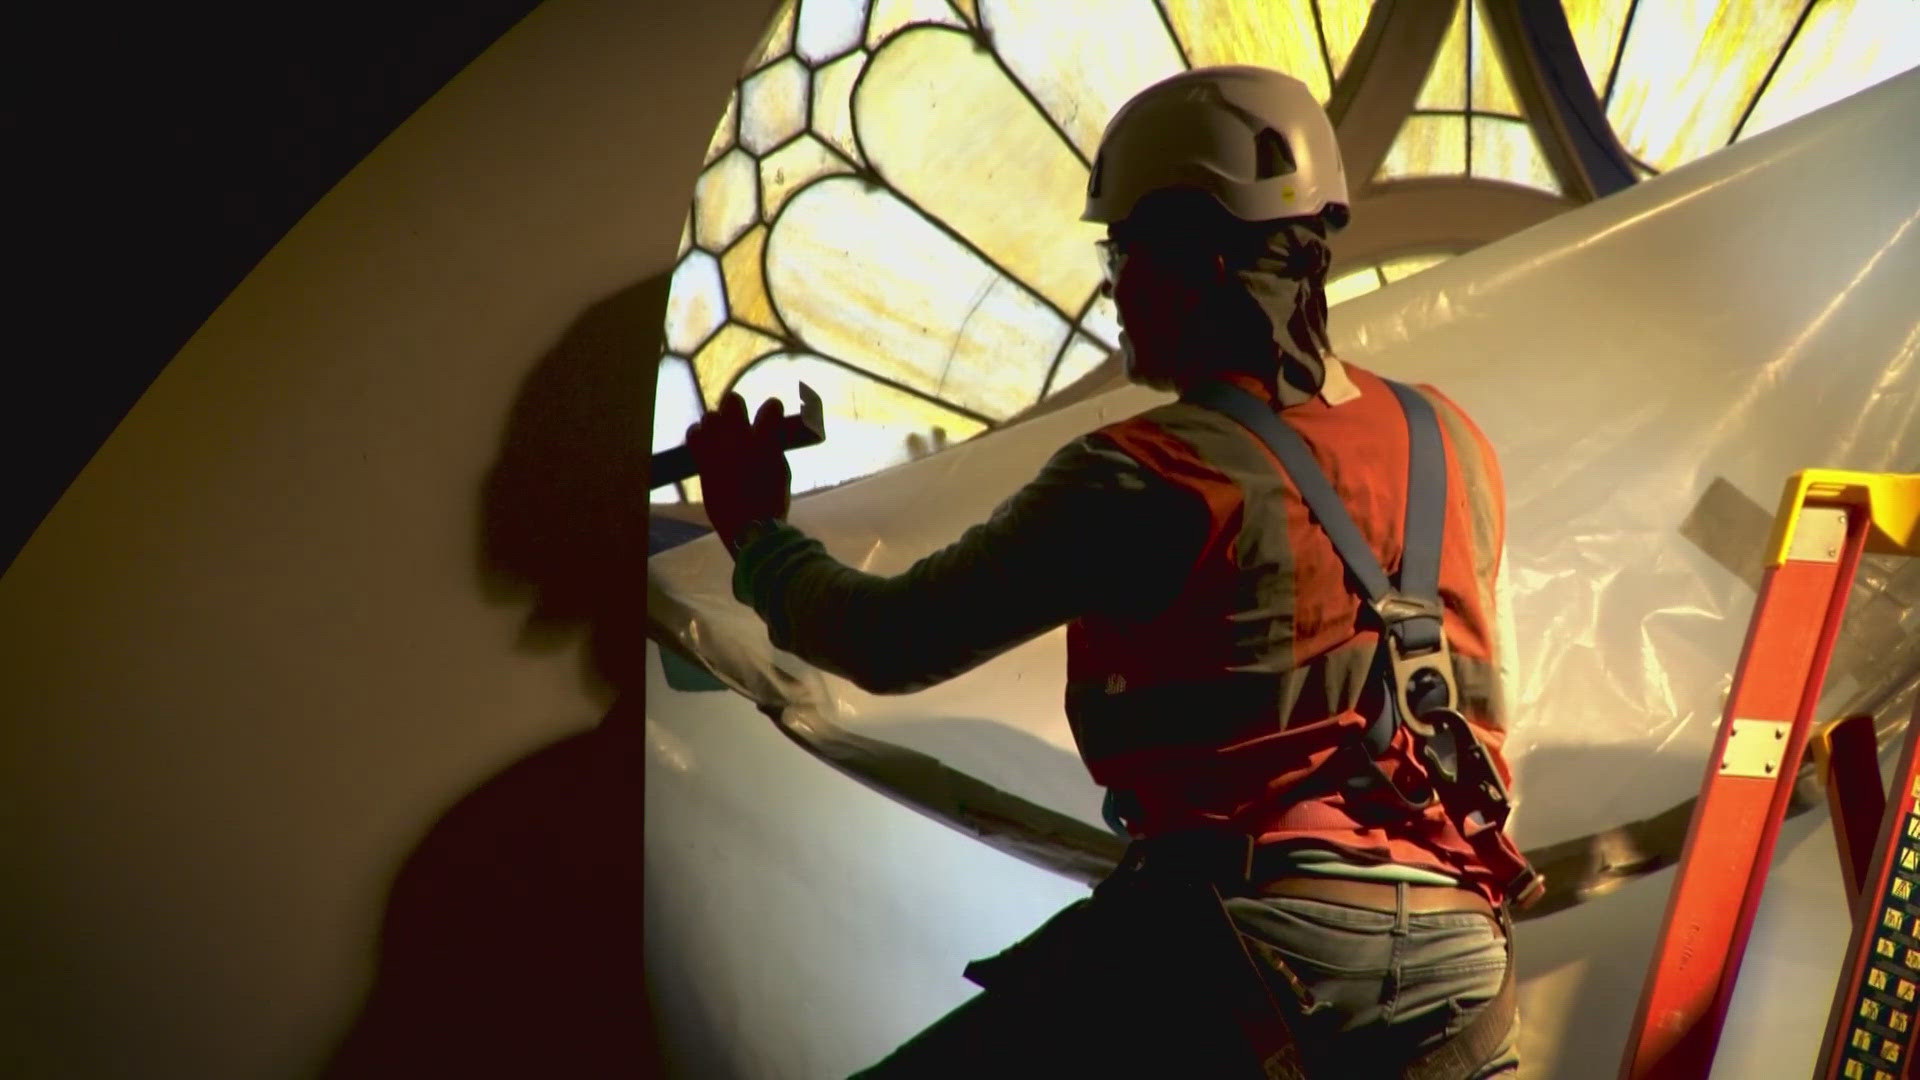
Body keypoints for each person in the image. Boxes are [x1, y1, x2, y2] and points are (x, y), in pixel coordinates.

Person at [686, 65, 1537, 1079]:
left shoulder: (1143, 474)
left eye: (1123, 251)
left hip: (1245, 946)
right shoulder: (1455, 440)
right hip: (1462, 963)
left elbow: (887, 639)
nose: (1113, 286)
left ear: (1202, 263)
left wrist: (756, 532)